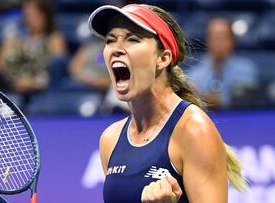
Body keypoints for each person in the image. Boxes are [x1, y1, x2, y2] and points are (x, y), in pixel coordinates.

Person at [88, 4, 247, 203]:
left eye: (132, 39)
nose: (116, 49)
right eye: (110, 40)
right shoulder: (110, 139)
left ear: (163, 59)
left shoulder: (193, 130)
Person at [0, 0, 67, 95]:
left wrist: (33, 82)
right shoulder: (12, 40)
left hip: (40, 87)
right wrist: (16, 81)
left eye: (34, 15)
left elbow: (56, 71)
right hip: (11, 85)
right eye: (27, 15)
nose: (30, 19)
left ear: (45, 15)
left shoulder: (54, 40)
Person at [187, 17, 258, 109]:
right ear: (207, 41)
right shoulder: (193, 75)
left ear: (232, 41)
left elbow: (247, 102)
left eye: (222, 38)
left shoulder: (246, 69)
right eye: (214, 38)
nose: (218, 43)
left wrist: (221, 101)